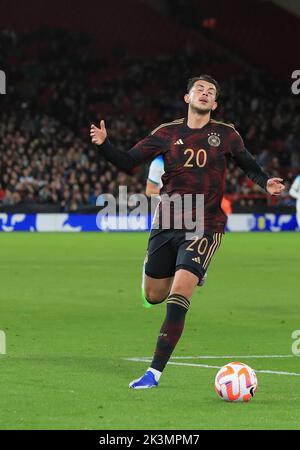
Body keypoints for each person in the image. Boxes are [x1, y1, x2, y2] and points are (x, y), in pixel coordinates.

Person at [90, 74, 285, 389]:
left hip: (205, 224)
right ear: (187, 97)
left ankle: (153, 374)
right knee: (154, 296)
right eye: (200, 89)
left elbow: (249, 164)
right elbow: (128, 162)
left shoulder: (226, 135)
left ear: (215, 103)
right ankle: (183, 268)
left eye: (211, 92)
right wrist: (104, 145)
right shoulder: (166, 134)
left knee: (179, 295)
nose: (205, 93)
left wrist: (266, 181)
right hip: (167, 221)